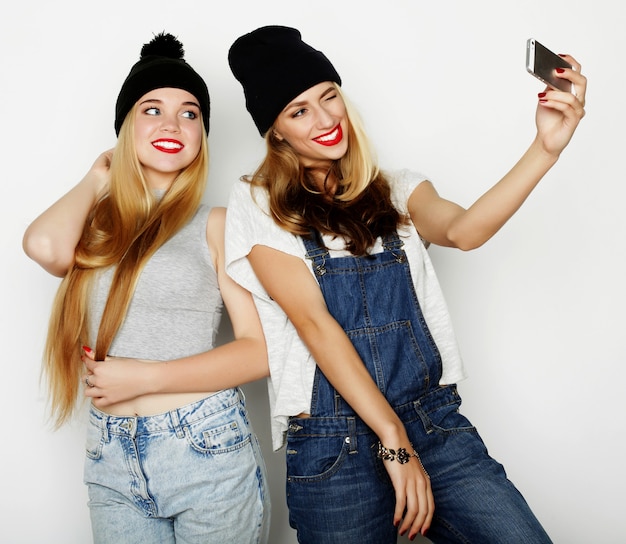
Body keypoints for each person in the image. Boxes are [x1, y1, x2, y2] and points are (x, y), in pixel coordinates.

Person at [225, 25, 586, 543]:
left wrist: (545, 148)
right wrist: (394, 443)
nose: (326, 120)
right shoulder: (258, 203)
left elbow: (464, 231)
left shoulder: (398, 189)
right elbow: (314, 324)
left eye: (329, 97)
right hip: (335, 447)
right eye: (299, 111)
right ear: (276, 130)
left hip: (432, 426)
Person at [23, 32, 270, 544]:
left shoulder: (217, 223)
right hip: (110, 454)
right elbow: (44, 248)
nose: (173, 124)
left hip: (204, 447)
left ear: (203, 132)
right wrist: (98, 179)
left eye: (190, 113)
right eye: (151, 109)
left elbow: (259, 351)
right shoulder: (92, 224)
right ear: (124, 128)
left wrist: (146, 378)